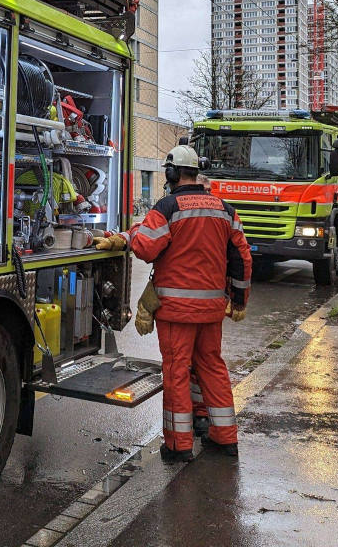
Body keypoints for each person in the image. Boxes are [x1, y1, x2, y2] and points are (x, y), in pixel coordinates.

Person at [95, 144, 252, 461]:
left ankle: (178, 446)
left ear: (170, 173)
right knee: (212, 367)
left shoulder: (167, 208)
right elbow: (242, 258)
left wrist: (129, 236)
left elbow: (147, 249)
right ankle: (225, 438)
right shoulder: (225, 210)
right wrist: (238, 299)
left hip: (176, 311)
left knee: (177, 372)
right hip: (211, 311)